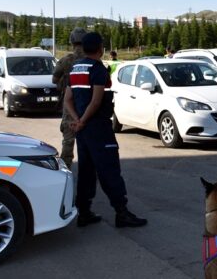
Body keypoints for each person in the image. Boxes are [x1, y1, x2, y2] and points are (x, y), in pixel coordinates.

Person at [64, 32, 148, 228]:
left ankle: (83, 212)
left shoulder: (75, 68)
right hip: (98, 128)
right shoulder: (98, 69)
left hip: (82, 131)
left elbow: (67, 99)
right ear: (101, 49)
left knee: (86, 171)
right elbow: (96, 100)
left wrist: (77, 120)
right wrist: (84, 120)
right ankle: (122, 213)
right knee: (109, 170)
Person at [52, 27, 86, 168]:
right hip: (87, 105)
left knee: (68, 141)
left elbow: (54, 80)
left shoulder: (66, 60)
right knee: (87, 141)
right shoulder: (92, 60)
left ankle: (65, 169)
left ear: (72, 42)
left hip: (69, 104)